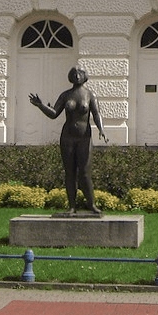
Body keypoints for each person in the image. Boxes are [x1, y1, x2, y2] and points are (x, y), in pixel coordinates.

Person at [29, 66, 108, 214]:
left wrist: (101, 129)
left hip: (84, 137)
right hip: (68, 137)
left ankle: (91, 205)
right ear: (70, 77)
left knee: (84, 173)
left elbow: (97, 114)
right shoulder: (66, 95)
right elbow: (54, 113)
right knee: (70, 172)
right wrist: (40, 105)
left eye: (80, 73)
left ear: (85, 76)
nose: (77, 75)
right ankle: (72, 206)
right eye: (74, 73)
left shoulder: (90, 95)